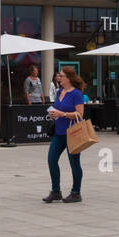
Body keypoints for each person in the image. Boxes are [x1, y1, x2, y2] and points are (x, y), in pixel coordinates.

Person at [44, 66, 86, 203]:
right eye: (58, 75)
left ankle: (76, 193)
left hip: (72, 133)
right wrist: (53, 114)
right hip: (59, 132)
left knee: (74, 163)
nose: (58, 78)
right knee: (51, 159)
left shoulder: (76, 94)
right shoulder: (59, 92)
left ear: (69, 78)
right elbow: (57, 109)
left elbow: (80, 114)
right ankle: (56, 191)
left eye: (61, 76)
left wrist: (62, 114)